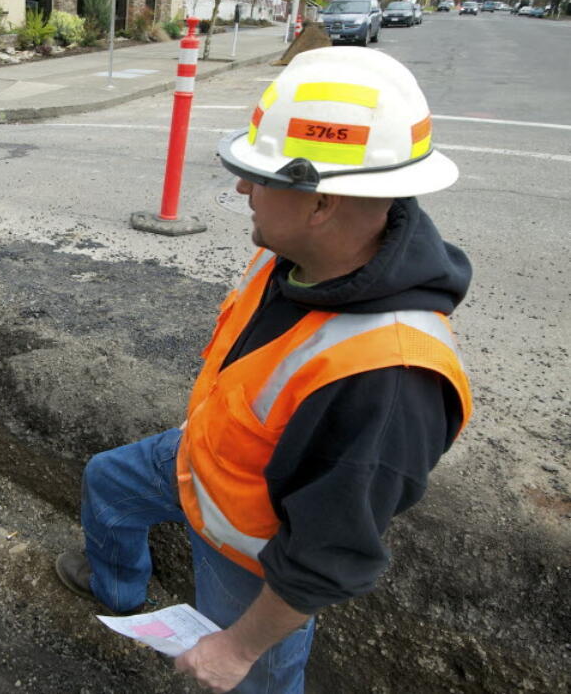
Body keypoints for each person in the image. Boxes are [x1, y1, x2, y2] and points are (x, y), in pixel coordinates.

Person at [55, 47, 472, 693]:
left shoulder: (388, 377)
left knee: (255, 678)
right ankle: (118, 591)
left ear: (322, 202)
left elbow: (329, 555)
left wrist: (237, 648)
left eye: (259, 176)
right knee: (109, 481)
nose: (244, 188)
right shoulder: (296, 257)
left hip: (248, 548)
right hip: (209, 458)